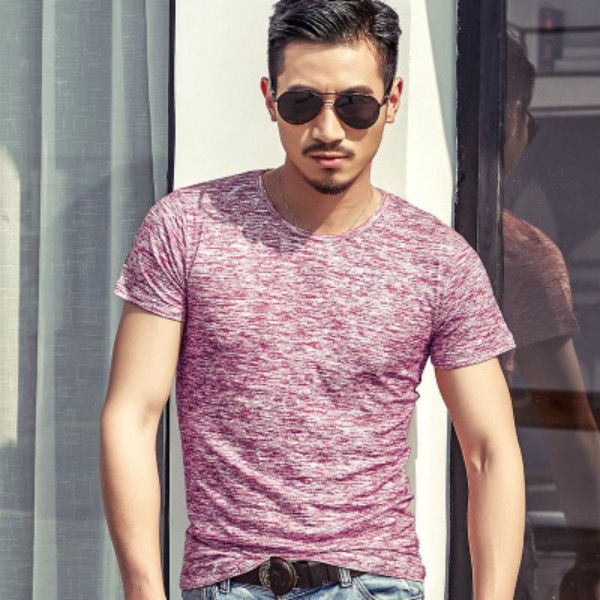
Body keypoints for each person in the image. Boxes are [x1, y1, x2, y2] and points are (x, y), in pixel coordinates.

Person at [99, 1, 525, 599]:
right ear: (270, 99)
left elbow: (489, 451)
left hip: (373, 585)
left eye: (355, 105)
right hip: (227, 583)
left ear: (393, 101)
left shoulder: (438, 259)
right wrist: (144, 592)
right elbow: (131, 416)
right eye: (302, 103)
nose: (328, 130)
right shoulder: (187, 228)